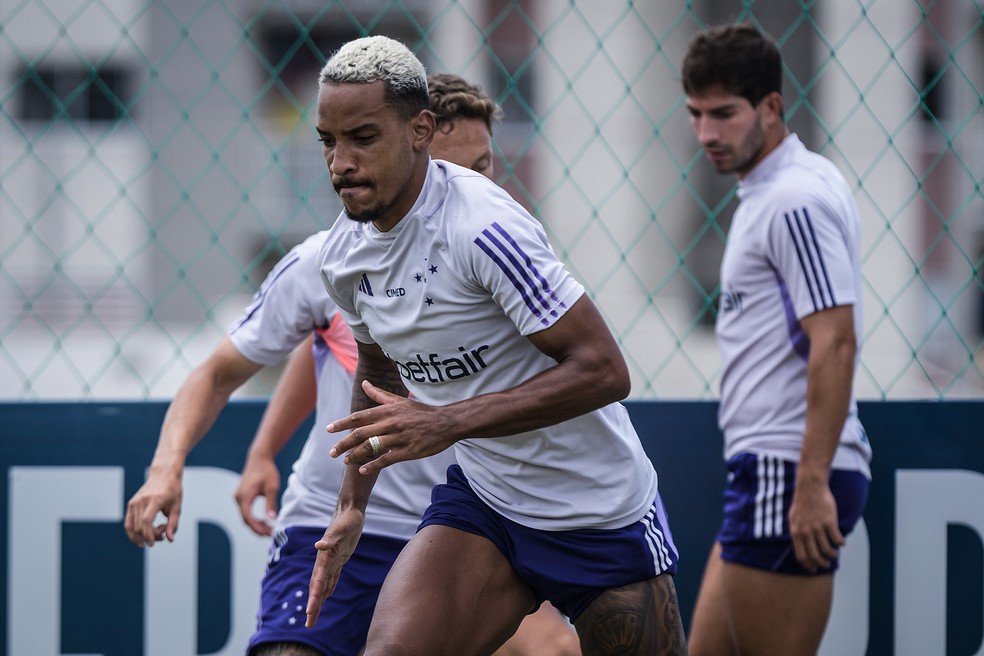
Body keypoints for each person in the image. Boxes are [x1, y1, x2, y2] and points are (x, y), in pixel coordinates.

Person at [124, 72, 579, 656]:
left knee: (553, 649)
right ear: (412, 150)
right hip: (333, 521)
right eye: (453, 168)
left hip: (466, 527)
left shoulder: (508, 261)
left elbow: (579, 374)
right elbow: (303, 358)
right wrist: (175, 466)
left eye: (483, 167)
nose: (470, 185)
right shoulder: (330, 262)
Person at [306, 35, 687, 655]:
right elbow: (379, 369)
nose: (340, 163)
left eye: (363, 138)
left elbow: (605, 371)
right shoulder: (343, 256)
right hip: (487, 505)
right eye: (328, 141)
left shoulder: (483, 226)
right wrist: (352, 504)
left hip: (597, 509)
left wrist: (446, 422)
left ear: (420, 130)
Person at [680, 23, 872, 656]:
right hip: (769, 469)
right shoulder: (772, 189)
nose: (707, 133)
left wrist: (810, 484)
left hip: (786, 469)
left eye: (724, 114)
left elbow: (835, 340)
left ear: (770, 107)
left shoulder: (793, 198)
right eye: (696, 114)